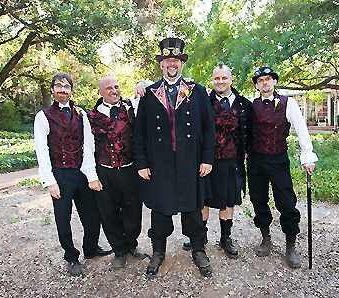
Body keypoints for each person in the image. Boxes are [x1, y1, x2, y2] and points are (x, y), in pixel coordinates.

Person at [134, 37, 216, 278]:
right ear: (161, 64)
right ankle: (158, 252)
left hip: (190, 162)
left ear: (182, 63)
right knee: (159, 211)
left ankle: (199, 250)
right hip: (160, 164)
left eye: (177, 60)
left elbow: (209, 128)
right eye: (168, 60)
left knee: (192, 210)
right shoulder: (149, 94)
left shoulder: (198, 91)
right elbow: (139, 131)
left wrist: (207, 159)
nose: (172, 64)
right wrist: (142, 163)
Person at [34, 73, 111, 276]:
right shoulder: (43, 116)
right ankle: (71, 256)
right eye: (58, 86)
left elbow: (88, 145)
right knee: (63, 218)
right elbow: (41, 151)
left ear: (71, 90)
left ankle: (90, 248)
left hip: (81, 172)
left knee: (93, 215)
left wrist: (91, 175)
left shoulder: (81, 114)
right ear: (52, 89)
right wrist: (49, 181)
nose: (63, 89)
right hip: (60, 174)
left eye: (66, 86)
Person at [247, 66, 317, 269]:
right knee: (258, 200)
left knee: (286, 202)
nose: (265, 83)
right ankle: (266, 237)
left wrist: (307, 155)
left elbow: (301, 128)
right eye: (260, 80)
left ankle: (290, 245)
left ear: (274, 82)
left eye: (268, 79)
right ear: (257, 85)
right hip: (256, 160)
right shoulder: (252, 104)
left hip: (278, 159)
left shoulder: (288, 103)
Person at [181, 62, 252, 259]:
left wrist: (248, 150)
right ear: (211, 81)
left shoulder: (243, 104)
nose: (220, 82)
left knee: (228, 201)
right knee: (203, 200)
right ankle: (200, 238)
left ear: (231, 79)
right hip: (206, 160)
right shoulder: (203, 100)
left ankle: (225, 238)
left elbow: (251, 131)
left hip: (232, 161)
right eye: (216, 78)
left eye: (224, 78)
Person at [87, 76, 148, 269]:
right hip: (105, 172)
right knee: (109, 213)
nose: (114, 91)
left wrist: (141, 83)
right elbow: (87, 148)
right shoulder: (91, 116)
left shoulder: (132, 106)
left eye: (116, 87)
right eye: (109, 89)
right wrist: (92, 176)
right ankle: (119, 250)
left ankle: (131, 244)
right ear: (100, 92)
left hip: (130, 170)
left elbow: (153, 88)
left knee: (133, 210)